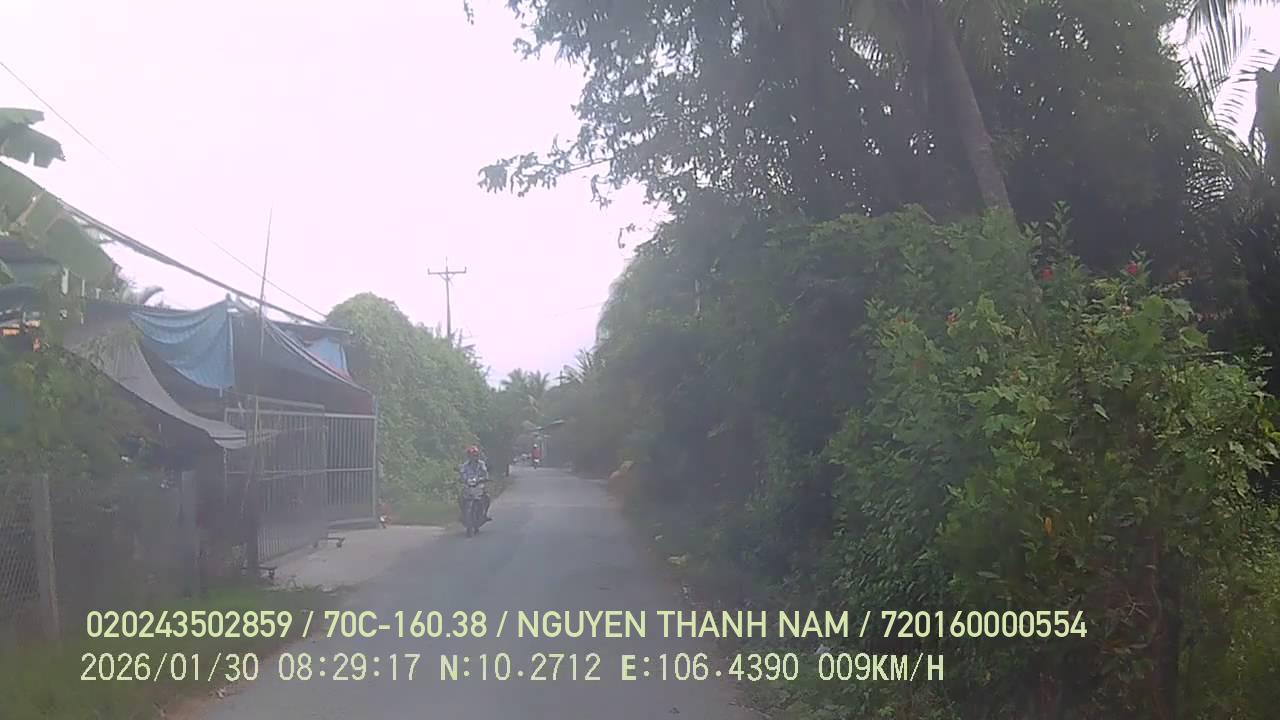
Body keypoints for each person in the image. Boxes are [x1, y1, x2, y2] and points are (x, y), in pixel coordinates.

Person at [458, 445, 492, 522]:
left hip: (479, 485)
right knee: (461, 498)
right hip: (468, 485)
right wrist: (462, 479)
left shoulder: (481, 464)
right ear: (468, 456)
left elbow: (485, 473)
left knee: (487, 497)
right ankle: (463, 514)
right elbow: (462, 473)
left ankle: (485, 514)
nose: (473, 457)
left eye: (475, 455)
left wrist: (483, 478)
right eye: (471, 455)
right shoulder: (465, 465)